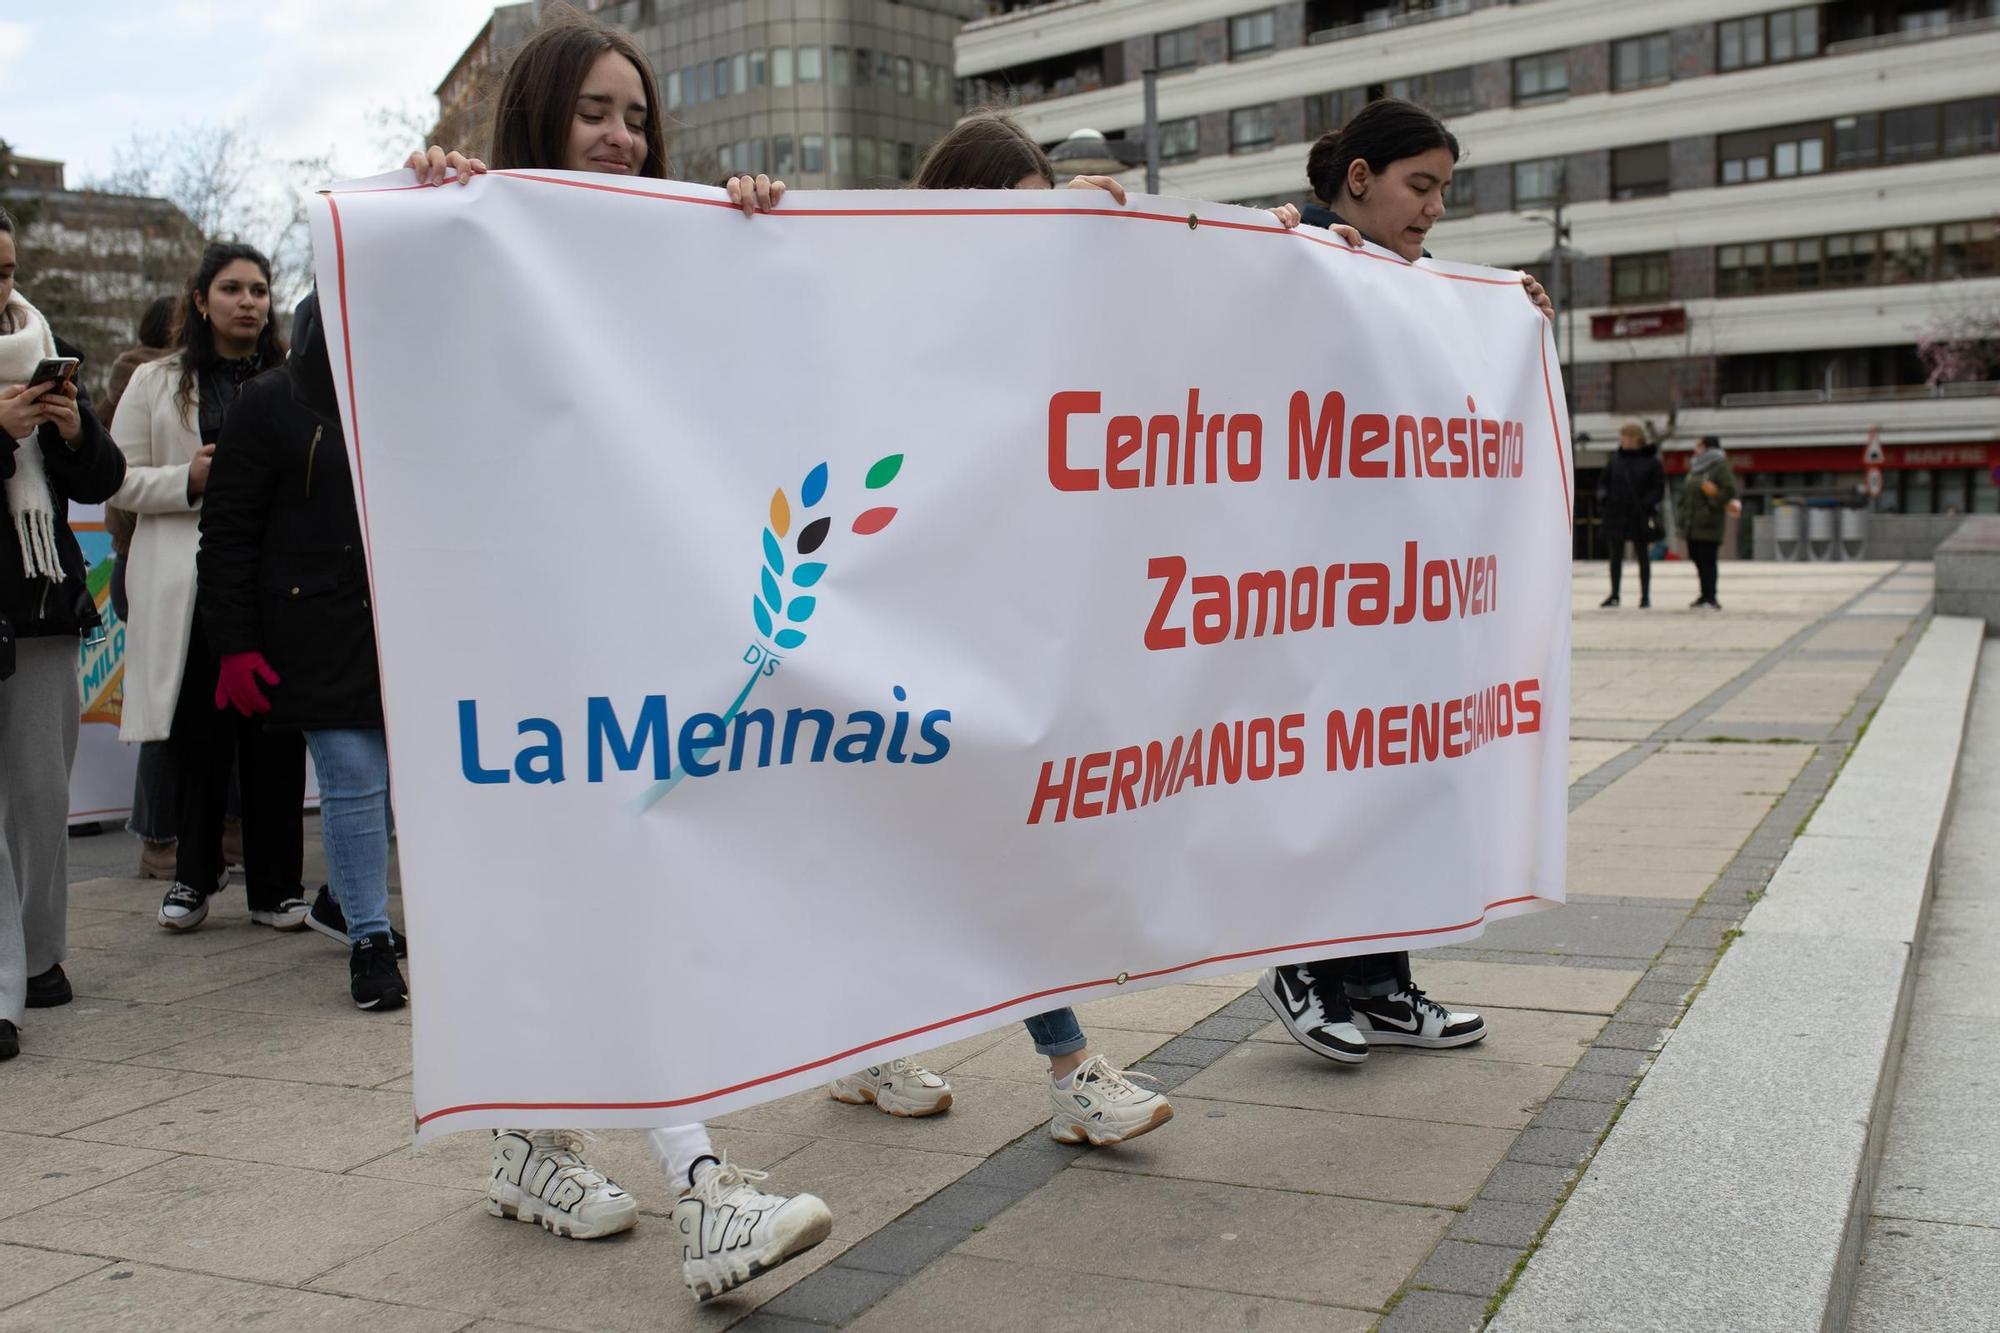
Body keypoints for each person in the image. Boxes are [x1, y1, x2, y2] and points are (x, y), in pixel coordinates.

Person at [815, 111, 1350, 1145]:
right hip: (893, 636)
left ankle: (935, 1051)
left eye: (1042, 224)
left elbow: (1194, 350)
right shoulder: (891, 319)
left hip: (1003, 636)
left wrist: (1261, 257)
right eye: (1012, 223)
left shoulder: (1056, 324)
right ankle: (1042, 1063)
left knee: (985, 845)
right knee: (929, 844)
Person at [406, 4, 832, 1299]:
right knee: (596, 875)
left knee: (618, 875)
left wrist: (741, 236)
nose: (621, 136)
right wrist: (418, 218)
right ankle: (695, 1187)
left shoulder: (669, 249)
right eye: (595, 111)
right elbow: (358, 363)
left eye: (638, 116)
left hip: (634, 628)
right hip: (514, 639)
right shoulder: (465, 235)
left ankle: (550, 1148)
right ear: (538, 117)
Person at [1264, 98, 1554, 1066]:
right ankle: (1302, 962)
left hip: (1390, 585)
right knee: (1323, 774)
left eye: (1441, 192)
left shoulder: (1413, 285)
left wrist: (1499, 319)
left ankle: (1378, 982)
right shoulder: (1278, 250)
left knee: (1394, 769)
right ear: (1358, 178)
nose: (1432, 210)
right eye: (1417, 186)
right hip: (1298, 582)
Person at [196, 292, 408, 1011]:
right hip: (310, 624)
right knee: (352, 776)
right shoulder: (267, 403)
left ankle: (343, 901)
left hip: (398, 624)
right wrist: (234, 644)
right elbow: (227, 531)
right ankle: (370, 941)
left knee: (385, 784)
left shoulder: (410, 391)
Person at [110, 244, 311, 934]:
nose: (248, 301)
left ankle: (277, 885)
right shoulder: (156, 383)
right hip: (189, 583)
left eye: (259, 289)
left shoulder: (296, 380)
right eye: (231, 288)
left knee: (276, 738)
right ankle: (193, 875)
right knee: (197, 737)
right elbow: (117, 477)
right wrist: (187, 480)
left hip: (277, 584)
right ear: (200, 299)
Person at [1, 204, 128, 1060]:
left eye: (7, 268)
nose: (4, 287)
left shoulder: (36, 341)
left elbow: (105, 475)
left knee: (43, 801)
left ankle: (40, 956)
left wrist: (71, 426)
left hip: (41, 606)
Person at [102, 295, 180, 879]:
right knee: (162, 700)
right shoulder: (143, 375)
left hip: (194, 554)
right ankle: (156, 835)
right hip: (142, 552)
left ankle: (213, 831)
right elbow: (115, 470)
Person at [1598, 421, 1665, 609]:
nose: (1622, 441)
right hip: (1616, 514)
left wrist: (1646, 504)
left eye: (1624, 437)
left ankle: (1645, 596)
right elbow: (1604, 482)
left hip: (1639, 514)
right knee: (1615, 556)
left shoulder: (1652, 462)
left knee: (1643, 556)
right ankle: (1614, 594)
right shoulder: (1615, 459)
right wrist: (1604, 499)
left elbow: (1658, 488)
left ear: (1635, 439)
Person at [1681, 435, 1736, 610]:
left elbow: (1729, 490)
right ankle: (1704, 595)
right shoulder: (1696, 467)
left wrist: (1710, 506)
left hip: (1709, 523)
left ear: (1706, 447)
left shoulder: (1719, 466)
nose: (1695, 448)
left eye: (1698, 445)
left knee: (1708, 560)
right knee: (1697, 558)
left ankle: (1711, 597)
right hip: (1692, 523)